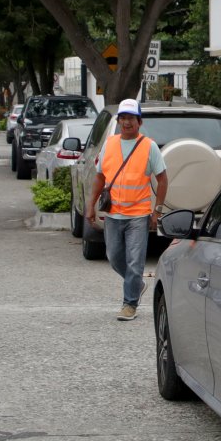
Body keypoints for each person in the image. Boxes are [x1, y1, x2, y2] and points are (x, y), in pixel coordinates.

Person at [87, 99, 169, 321]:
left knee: (135, 261)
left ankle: (129, 304)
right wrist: (90, 205)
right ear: (119, 121)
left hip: (138, 214)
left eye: (131, 118)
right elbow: (99, 177)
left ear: (139, 122)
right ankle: (137, 284)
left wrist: (157, 211)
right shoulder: (110, 144)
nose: (126, 122)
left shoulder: (149, 146)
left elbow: (162, 180)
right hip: (113, 213)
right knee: (113, 257)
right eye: (123, 118)